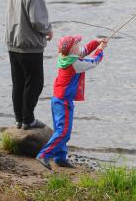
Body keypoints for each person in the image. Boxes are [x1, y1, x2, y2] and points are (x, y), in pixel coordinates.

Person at [36, 35, 108, 169]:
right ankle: (44, 154)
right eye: (76, 44)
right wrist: (100, 49)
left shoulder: (65, 57)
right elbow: (93, 62)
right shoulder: (75, 64)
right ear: (72, 49)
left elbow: (84, 51)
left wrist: (95, 42)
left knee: (60, 129)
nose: (79, 46)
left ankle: (60, 157)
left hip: (57, 98)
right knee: (64, 132)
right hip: (64, 101)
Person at [5, 0, 53, 130]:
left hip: (13, 43)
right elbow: (38, 22)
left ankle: (19, 119)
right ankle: (28, 120)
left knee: (18, 83)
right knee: (35, 83)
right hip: (30, 46)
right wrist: (48, 30)